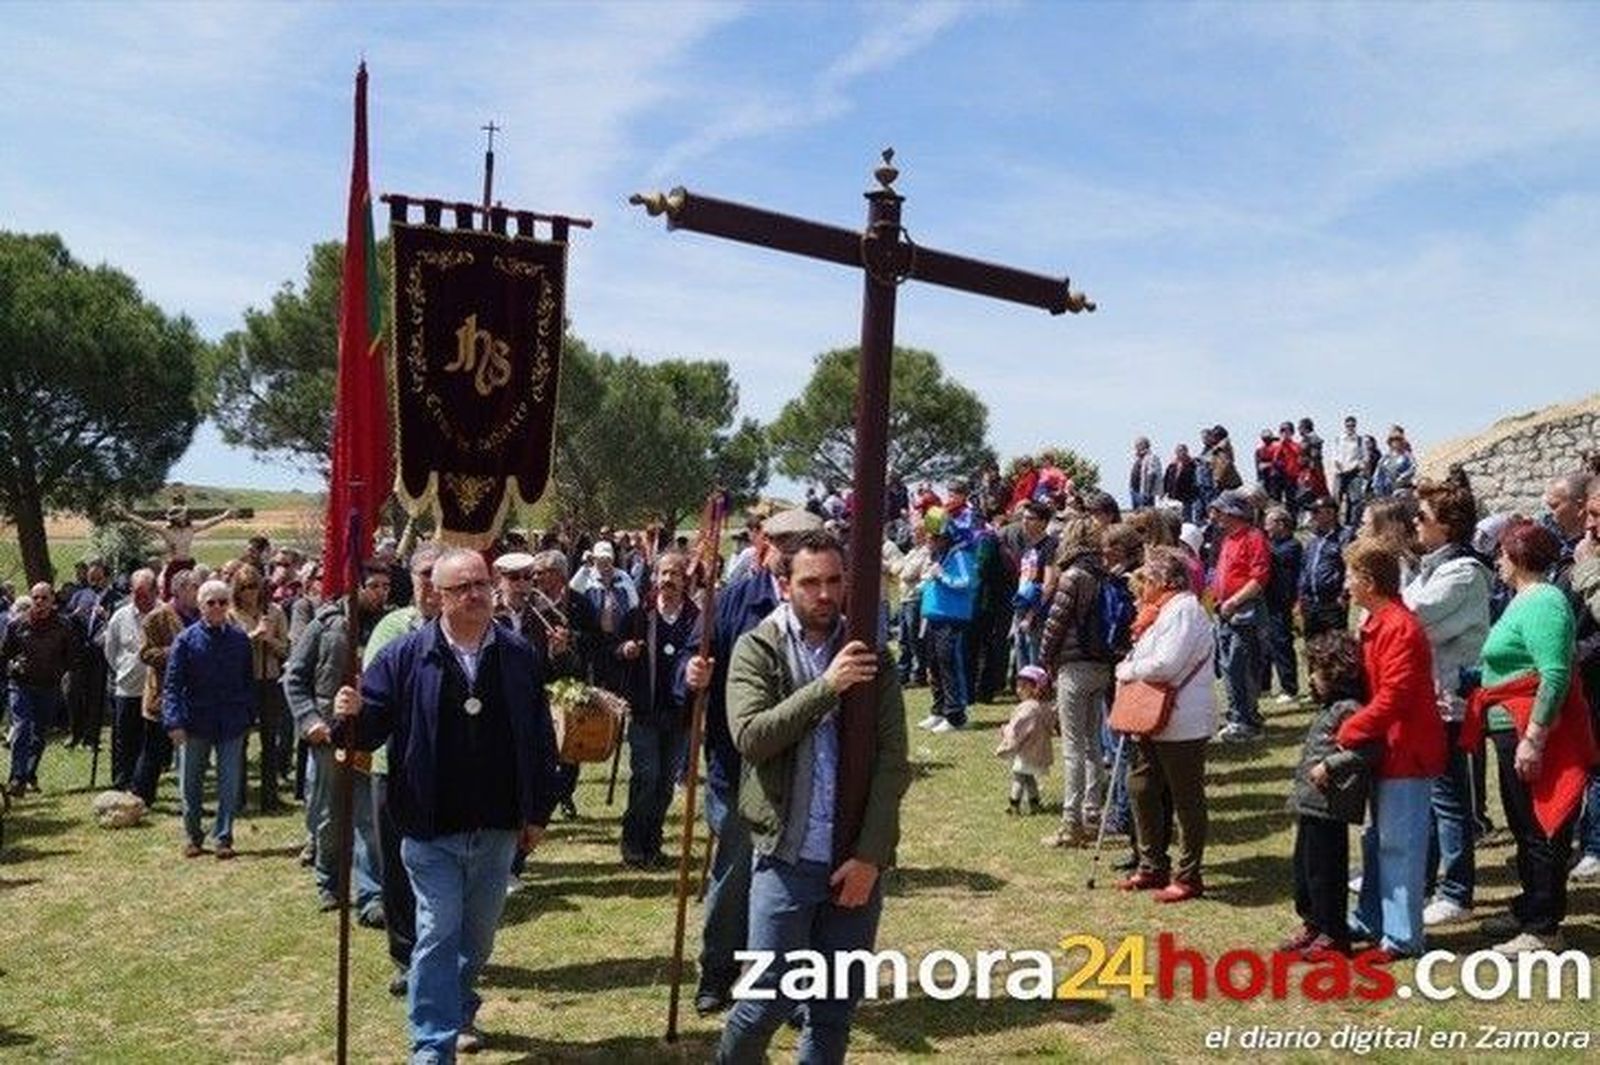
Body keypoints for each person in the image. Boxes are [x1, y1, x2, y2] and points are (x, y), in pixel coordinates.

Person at [331, 547, 561, 1061]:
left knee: (476, 940)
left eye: (482, 583)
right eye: (463, 588)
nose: (477, 594)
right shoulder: (406, 656)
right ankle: (432, 1045)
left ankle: (459, 1004)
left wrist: (538, 812)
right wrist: (351, 711)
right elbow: (368, 735)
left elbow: (540, 738)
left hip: (498, 825)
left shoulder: (518, 654)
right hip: (430, 826)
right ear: (438, 595)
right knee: (437, 932)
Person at [714, 529, 911, 1064]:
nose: (824, 594)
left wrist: (870, 856)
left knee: (833, 1008)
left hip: (854, 860)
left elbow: (894, 764)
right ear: (784, 585)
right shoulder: (759, 647)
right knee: (764, 1001)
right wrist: (828, 687)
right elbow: (751, 736)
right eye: (810, 583)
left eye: (833, 581)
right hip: (786, 854)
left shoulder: (872, 655)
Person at [691, 507, 821, 1018]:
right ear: (764, 546)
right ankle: (717, 972)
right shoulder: (736, 600)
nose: (787, 555)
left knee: (793, 875)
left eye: (799, 545)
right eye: (780, 545)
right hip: (737, 762)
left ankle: (783, 982)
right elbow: (697, 656)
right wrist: (692, 671)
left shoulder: (830, 605)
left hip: (804, 767)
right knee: (734, 873)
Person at [1464, 521, 1596, 954]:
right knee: (1525, 826)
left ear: (1517, 557)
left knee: (1543, 828)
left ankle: (1544, 927)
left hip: (1535, 730)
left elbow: (1554, 673)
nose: (1498, 561)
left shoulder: (1544, 602)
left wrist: (1534, 737)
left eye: (1502, 554)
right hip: (1511, 725)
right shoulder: (1526, 599)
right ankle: (1530, 908)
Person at [1337, 540, 1445, 961]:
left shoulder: (1399, 626)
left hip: (1406, 750)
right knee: (1377, 840)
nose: (1347, 583)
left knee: (1399, 844)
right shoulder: (1382, 622)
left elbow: (1395, 696)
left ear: (1368, 581)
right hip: (1389, 747)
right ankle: (1372, 918)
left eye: (1351, 576)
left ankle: (1402, 936)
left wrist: (1350, 729)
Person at [1403, 482, 1492, 928]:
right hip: (1426, 699)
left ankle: (1456, 891)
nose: (1414, 523)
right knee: (1432, 798)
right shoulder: (1430, 568)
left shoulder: (1464, 573)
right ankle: (1427, 883)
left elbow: (1411, 618)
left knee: (1451, 800)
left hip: (1447, 700)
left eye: (1421, 516)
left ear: (1449, 525)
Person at [283, 565, 389, 919]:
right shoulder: (325, 625)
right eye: (373, 585)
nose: (381, 593)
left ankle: (371, 895)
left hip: (371, 736)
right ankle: (328, 882)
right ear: (355, 587)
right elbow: (294, 678)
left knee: (368, 818)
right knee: (329, 817)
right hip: (329, 735)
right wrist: (310, 719)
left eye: (386, 586)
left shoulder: (388, 627)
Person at [364, 542, 444, 998]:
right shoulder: (393, 628)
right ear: (411, 579)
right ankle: (405, 954)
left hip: (448, 768)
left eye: (439, 573)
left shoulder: (467, 629)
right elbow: (376, 695)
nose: (433, 583)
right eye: (424, 574)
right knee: (396, 866)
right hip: (393, 765)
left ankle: (438, 950)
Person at [1116, 547, 1216, 902]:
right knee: (1142, 786)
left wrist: (1127, 671)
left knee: (1186, 797)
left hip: (1183, 717)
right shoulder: (1161, 611)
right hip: (1152, 716)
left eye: (1149, 577)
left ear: (1164, 580)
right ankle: (1152, 864)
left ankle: (1189, 875)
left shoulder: (1185, 610)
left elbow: (1166, 664)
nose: (1143, 583)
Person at [1281, 632, 1380, 957]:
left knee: (1326, 872)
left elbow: (1369, 749)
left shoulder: (1349, 709)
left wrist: (1331, 765)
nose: (1311, 678)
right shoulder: (1329, 707)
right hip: (1311, 805)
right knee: (1305, 870)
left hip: (1329, 806)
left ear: (1336, 673)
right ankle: (1312, 923)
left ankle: (1333, 933)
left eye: (1317, 671)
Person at [162, 579, 255, 859]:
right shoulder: (186, 640)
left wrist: (249, 716)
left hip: (231, 722)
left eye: (222, 602)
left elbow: (247, 682)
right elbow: (172, 685)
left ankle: (223, 837)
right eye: (211, 602)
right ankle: (193, 835)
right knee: (190, 783)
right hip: (195, 722)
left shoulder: (239, 639)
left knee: (229, 784)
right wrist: (174, 721)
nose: (217, 607)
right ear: (201, 605)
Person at [619, 551, 699, 868]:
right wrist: (623, 650)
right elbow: (612, 648)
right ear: (655, 577)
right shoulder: (640, 615)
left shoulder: (696, 619)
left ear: (685, 580)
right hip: (645, 712)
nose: (668, 580)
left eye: (675, 574)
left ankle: (653, 842)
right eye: (663, 573)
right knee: (646, 776)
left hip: (679, 716)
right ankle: (632, 842)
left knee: (666, 782)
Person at [1037, 517, 1114, 846]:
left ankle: (1072, 823)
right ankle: (1093, 813)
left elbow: (1056, 622)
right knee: (1093, 743)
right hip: (1101, 664)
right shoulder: (1104, 575)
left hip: (1074, 664)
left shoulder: (1072, 576)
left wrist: (1044, 658)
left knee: (1072, 747)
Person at [2, 583, 78, 796]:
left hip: (49, 686)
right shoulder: (17, 624)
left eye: (44, 598)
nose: (40, 602)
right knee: (22, 727)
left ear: (53, 600)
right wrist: (12, 666)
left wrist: (62, 672)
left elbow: (71, 657)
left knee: (39, 734)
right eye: (35, 598)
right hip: (21, 684)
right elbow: (4, 654)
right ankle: (17, 778)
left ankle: (29, 774)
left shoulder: (64, 626)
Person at [131, 571, 199, 805]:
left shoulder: (201, 616)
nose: (198, 593)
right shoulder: (157, 618)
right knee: (154, 751)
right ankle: (140, 797)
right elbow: (145, 653)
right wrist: (174, 652)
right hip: (163, 695)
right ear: (178, 591)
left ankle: (190, 799)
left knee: (189, 752)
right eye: (193, 588)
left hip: (192, 694)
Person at [1209, 490, 1271, 742]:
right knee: (1228, 666)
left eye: (1221, 511)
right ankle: (1239, 716)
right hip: (1225, 611)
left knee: (1240, 664)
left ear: (1235, 513)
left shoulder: (1253, 537)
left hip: (1245, 612)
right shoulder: (1228, 539)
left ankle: (1246, 720)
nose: (1216, 516)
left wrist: (1234, 600)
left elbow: (1259, 578)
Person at [229, 563, 290, 812]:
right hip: (244, 681)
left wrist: (270, 639)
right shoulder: (232, 614)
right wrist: (253, 636)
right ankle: (238, 796)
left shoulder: (274, 612)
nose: (250, 592)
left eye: (253, 586)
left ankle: (270, 796)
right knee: (240, 740)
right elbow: (230, 649)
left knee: (270, 739)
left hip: (269, 680)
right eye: (244, 587)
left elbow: (285, 649)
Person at [917, 509, 976, 733]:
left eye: (932, 538)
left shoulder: (960, 555)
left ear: (943, 538)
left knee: (950, 666)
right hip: (934, 617)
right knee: (935, 666)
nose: (928, 542)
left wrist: (941, 575)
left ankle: (956, 716)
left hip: (953, 618)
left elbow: (966, 581)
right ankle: (939, 710)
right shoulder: (940, 556)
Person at [102, 568, 158, 792]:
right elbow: (111, 650)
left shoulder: (164, 614)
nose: (140, 598)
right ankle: (121, 783)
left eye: (145, 593)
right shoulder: (120, 616)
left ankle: (143, 788)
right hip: (127, 688)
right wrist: (124, 670)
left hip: (155, 690)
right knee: (124, 740)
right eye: (136, 593)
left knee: (151, 741)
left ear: (155, 591)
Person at [996, 664, 1053, 816]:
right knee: (1029, 777)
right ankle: (1035, 803)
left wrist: (1006, 731)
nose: (1018, 690)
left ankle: (1014, 804)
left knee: (1019, 778)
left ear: (1035, 689)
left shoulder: (1027, 709)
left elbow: (1017, 730)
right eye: (1018, 686)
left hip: (1027, 751)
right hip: (1038, 751)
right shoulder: (1045, 707)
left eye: (1023, 686)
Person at [1263, 507, 1303, 704]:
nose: (1265, 527)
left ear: (1281, 524)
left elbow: (1274, 557)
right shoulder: (1271, 544)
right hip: (1267, 601)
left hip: (1282, 603)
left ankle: (1289, 688)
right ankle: (1264, 685)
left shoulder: (1292, 546)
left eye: (1269, 523)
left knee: (1282, 644)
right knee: (1265, 646)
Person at [1299, 496, 1348, 639]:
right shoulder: (1313, 540)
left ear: (1330, 513)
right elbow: (1304, 569)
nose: (1312, 515)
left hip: (1333, 603)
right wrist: (1301, 596)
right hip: (1310, 604)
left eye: (1316, 511)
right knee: (1313, 647)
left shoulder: (1344, 536)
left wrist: (1344, 595)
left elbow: (1350, 566)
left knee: (1335, 647)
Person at [1332, 415, 1365, 527]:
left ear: (1355, 426)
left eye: (1352, 425)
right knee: (1337, 499)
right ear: (1345, 426)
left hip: (1354, 473)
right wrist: (1337, 465)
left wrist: (1358, 466)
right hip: (1340, 472)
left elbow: (1364, 457)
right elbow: (1334, 455)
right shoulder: (1338, 439)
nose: (1350, 427)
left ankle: (1350, 524)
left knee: (1354, 500)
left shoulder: (1360, 440)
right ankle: (1334, 523)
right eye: (1348, 425)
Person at [1129, 436, 1161, 510]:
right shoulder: (1138, 458)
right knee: (1137, 515)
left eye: (1138, 445)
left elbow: (1152, 474)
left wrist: (1148, 492)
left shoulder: (1151, 457)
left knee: (1146, 515)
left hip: (1144, 492)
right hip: (1135, 490)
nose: (1136, 447)